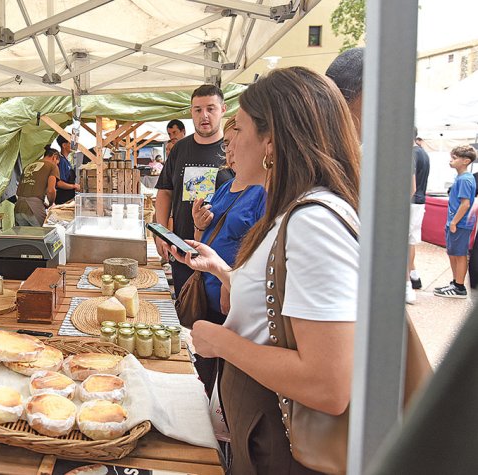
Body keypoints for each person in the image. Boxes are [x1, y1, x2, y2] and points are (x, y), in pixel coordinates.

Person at [170, 67, 361, 473]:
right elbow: (275, 299)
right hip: (263, 431)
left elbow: (327, 384)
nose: (228, 143)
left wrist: (221, 342)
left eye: (238, 128)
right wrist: (224, 272)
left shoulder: (314, 222)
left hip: (282, 444)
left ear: (270, 141)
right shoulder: (291, 213)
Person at [189, 115, 266, 390]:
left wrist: (229, 280)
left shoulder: (262, 192)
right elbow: (205, 237)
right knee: (203, 371)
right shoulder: (224, 188)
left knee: (223, 375)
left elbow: (260, 246)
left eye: (236, 140)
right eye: (226, 144)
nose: (230, 151)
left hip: (230, 298)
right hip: (207, 291)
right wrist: (199, 225)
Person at [155, 85, 233, 297]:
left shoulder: (231, 149)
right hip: (183, 249)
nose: (204, 115)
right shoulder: (180, 149)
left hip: (222, 254)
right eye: (198, 110)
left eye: (211, 108)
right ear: (191, 112)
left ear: (223, 109)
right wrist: (161, 233)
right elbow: (165, 191)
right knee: (185, 308)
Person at [433, 145, 477, 299]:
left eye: (455, 158)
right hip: (456, 222)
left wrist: (454, 223)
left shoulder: (465, 179)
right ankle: (455, 283)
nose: (451, 161)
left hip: (460, 223)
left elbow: (465, 204)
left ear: (466, 161)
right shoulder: (461, 177)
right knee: (453, 253)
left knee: (459, 254)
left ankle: (459, 286)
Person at [408, 129, 430, 298]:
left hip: (411, 202)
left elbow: (412, 186)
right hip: (419, 202)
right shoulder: (423, 153)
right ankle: (414, 276)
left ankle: (407, 283)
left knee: (405, 243)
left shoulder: (411, 155)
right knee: (411, 241)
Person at [14, 147, 60, 226]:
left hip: (18, 207)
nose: (56, 164)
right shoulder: (52, 166)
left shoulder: (28, 166)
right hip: (34, 208)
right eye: (57, 162)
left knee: (24, 233)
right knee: (43, 232)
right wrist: (50, 204)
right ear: (54, 157)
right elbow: (51, 190)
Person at [54, 135, 81, 204]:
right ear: (64, 145)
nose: (74, 145)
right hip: (63, 200)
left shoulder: (67, 161)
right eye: (71, 143)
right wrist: (74, 186)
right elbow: (59, 183)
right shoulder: (61, 161)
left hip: (69, 198)